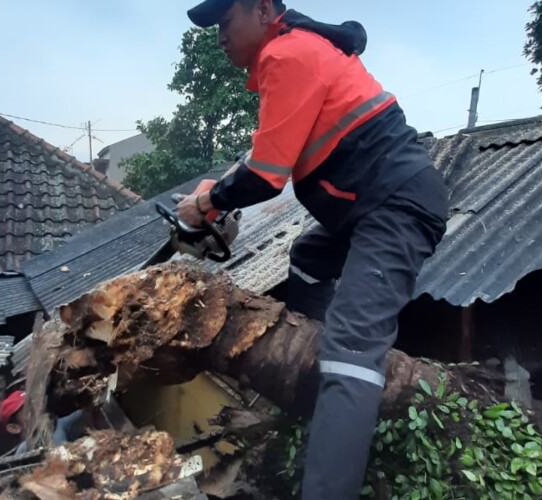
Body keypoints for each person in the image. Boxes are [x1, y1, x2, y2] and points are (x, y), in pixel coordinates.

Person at [176, 1, 449, 498]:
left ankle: (329, 472)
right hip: (365, 209)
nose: (219, 35)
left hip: (395, 207)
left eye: (225, 21)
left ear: (262, 10)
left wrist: (206, 203)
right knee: (307, 260)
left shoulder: (289, 54)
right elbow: (262, 158)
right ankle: (313, 377)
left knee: (352, 349)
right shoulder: (292, 57)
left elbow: (265, 177)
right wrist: (216, 196)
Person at [0, 390, 87, 454]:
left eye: (35, 404)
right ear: (14, 428)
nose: (37, 410)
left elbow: (87, 414)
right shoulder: (24, 450)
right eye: (28, 410)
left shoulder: (62, 425)